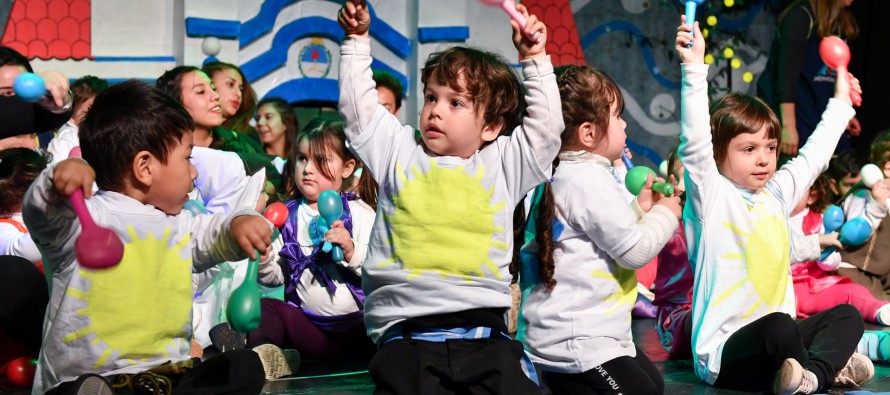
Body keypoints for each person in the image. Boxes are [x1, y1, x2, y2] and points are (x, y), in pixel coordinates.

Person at [337, 0, 560, 393]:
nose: (436, 111)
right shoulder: (398, 152)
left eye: (455, 102)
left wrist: (535, 59)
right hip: (408, 339)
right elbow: (360, 113)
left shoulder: (502, 165)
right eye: (431, 97)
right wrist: (356, 42)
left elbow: (545, 133)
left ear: (490, 126)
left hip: (483, 338)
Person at [22, 80, 268, 394]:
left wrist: (239, 223)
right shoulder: (83, 220)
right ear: (145, 167)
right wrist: (56, 182)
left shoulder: (181, 225)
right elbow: (42, 214)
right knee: (78, 390)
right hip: (90, 379)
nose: (193, 174)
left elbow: (215, 233)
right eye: (187, 158)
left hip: (165, 377)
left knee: (243, 367)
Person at [676, 15, 871, 395]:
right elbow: (695, 140)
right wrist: (694, 69)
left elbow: (814, 156)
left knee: (847, 317)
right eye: (748, 150)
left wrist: (841, 101)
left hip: (783, 349)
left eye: (769, 148)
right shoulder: (709, 196)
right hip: (729, 355)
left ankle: (810, 378)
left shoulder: (776, 193)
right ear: (718, 155)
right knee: (780, 327)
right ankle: (826, 369)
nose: (764, 159)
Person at [514, 64, 681, 394]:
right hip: (575, 342)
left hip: (588, 334)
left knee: (654, 384)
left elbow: (599, 235)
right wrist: (667, 212)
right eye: (618, 116)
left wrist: (640, 209)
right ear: (588, 134)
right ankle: (558, 381)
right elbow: (633, 252)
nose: (625, 124)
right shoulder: (587, 180)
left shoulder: (574, 173)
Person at [248, 119, 377, 379]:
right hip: (311, 330)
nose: (308, 169)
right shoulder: (288, 216)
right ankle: (269, 354)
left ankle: (389, 355)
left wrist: (351, 250)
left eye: (321, 161)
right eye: (303, 159)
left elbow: (379, 269)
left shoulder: (361, 213)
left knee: (386, 316)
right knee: (267, 308)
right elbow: (277, 276)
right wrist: (264, 260)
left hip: (358, 327)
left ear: (347, 167)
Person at [757, 0, 860, 156]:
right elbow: (786, 80)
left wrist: (844, 113)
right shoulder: (801, 16)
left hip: (819, 113)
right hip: (798, 117)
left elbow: (832, 76)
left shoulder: (837, 20)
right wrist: (788, 127)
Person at [0, 46, 72, 149]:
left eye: (26, 91)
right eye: (6, 93)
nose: (19, 101)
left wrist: (61, 99)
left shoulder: (58, 141)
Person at [46, 76, 109, 164]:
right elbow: (56, 173)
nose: (98, 115)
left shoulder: (107, 136)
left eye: (104, 109)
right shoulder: (66, 140)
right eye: (90, 110)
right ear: (71, 115)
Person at [203, 62, 261, 142]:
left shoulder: (247, 134)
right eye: (230, 84)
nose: (239, 94)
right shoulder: (188, 130)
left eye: (241, 89)